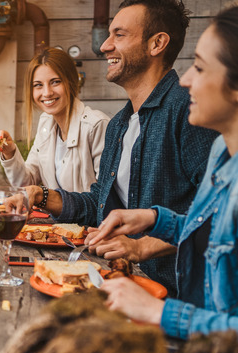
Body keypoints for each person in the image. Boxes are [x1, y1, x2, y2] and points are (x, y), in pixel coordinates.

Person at [22, 0, 218, 294]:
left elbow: (217, 213)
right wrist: (40, 195)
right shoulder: (119, 125)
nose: (104, 46)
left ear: (157, 44)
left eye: (120, 35)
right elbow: (99, 204)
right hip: (124, 282)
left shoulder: (188, 112)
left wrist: (141, 247)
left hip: (176, 296)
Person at [89, 5, 238, 341]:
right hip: (190, 333)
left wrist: (159, 311)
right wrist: (155, 219)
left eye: (199, 68)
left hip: (183, 321)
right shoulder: (222, 153)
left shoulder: (187, 117)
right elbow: (215, 230)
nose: (185, 79)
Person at [0, 47, 109, 192]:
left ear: (71, 82)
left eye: (55, 82)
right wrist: (9, 153)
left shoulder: (96, 125)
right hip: (55, 215)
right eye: (38, 85)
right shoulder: (46, 123)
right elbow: (27, 183)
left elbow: (105, 196)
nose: (47, 93)